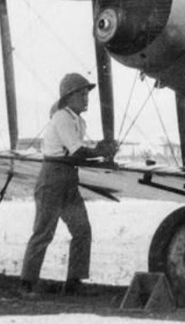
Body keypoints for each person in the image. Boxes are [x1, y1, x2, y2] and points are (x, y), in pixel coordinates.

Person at [19, 73, 116, 298]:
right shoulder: (62, 118)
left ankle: (74, 283)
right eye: (82, 94)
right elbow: (78, 152)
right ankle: (27, 283)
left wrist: (100, 153)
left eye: (86, 94)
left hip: (67, 178)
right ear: (69, 96)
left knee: (82, 230)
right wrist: (101, 152)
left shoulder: (77, 121)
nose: (86, 98)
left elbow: (79, 155)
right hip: (52, 179)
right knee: (44, 231)